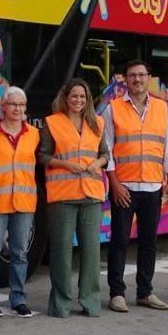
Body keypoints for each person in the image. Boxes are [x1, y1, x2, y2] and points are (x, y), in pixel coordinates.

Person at [100, 59, 168, 313]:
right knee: (120, 240)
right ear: (125, 79)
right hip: (124, 186)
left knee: (149, 241)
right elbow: (107, 149)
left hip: (153, 186)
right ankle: (117, 293)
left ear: (149, 78)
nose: (137, 79)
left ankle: (145, 292)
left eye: (141, 75)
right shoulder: (113, 108)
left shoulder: (161, 108)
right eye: (132, 75)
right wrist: (114, 183)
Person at [39, 78, 109, 318]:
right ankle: (60, 304)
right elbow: (43, 156)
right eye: (74, 96)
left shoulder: (97, 122)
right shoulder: (52, 122)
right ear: (66, 98)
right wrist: (66, 164)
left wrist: (97, 163)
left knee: (91, 252)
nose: (78, 100)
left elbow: (105, 154)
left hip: (91, 194)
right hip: (63, 195)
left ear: (87, 99)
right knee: (61, 251)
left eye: (82, 96)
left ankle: (91, 302)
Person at [0, 86, 39, 317]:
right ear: (2, 107)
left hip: (24, 202)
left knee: (20, 253)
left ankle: (18, 299)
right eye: (12, 104)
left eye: (21, 105)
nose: (17, 109)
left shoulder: (34, 134)